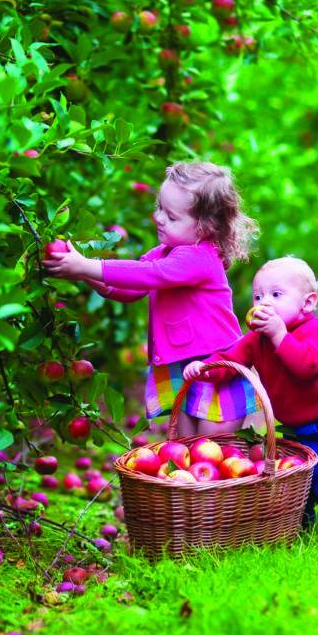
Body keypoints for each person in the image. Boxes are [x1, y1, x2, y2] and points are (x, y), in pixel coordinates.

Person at [44, 161, 259, 438]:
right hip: (182, 365)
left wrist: (87, 265)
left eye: (171, 216)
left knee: (212, 447)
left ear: (205, 227)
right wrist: (83, 274)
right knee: (184, 447)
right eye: (160, 207)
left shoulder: (199, 257)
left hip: (215, 366)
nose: (159, 218)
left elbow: (153, 274)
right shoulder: (165, 251)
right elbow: (131, 289)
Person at [183, 257, 318, 553]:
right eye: (258, 296)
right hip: (296, 427)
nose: (264, 302)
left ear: (307, 303)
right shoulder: (257, 340)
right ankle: (297, 523)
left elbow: (306, 366)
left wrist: (279, 334)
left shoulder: (313, 330)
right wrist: (205, 368)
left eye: (276, 295)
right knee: (298, 477)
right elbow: (231, 361)